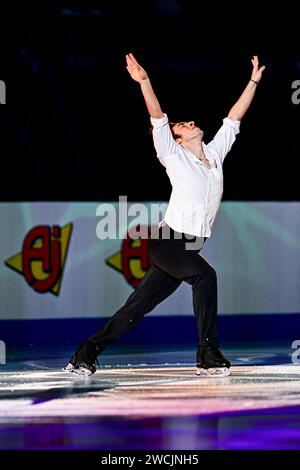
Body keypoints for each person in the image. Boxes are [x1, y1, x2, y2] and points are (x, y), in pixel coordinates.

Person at [66, 53, 265, 377]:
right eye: (182, 125)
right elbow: (158, 119)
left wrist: (253, 80)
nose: (189, 123)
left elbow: (233, 119)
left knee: (136, 308)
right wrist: (144, 81)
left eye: (188, 122)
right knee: (206, 277)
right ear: (178, 141)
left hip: (187, 247)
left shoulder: (214, 155)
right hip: (168, 242)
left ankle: (85, 353)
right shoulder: (173, 156)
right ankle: (207, 353)